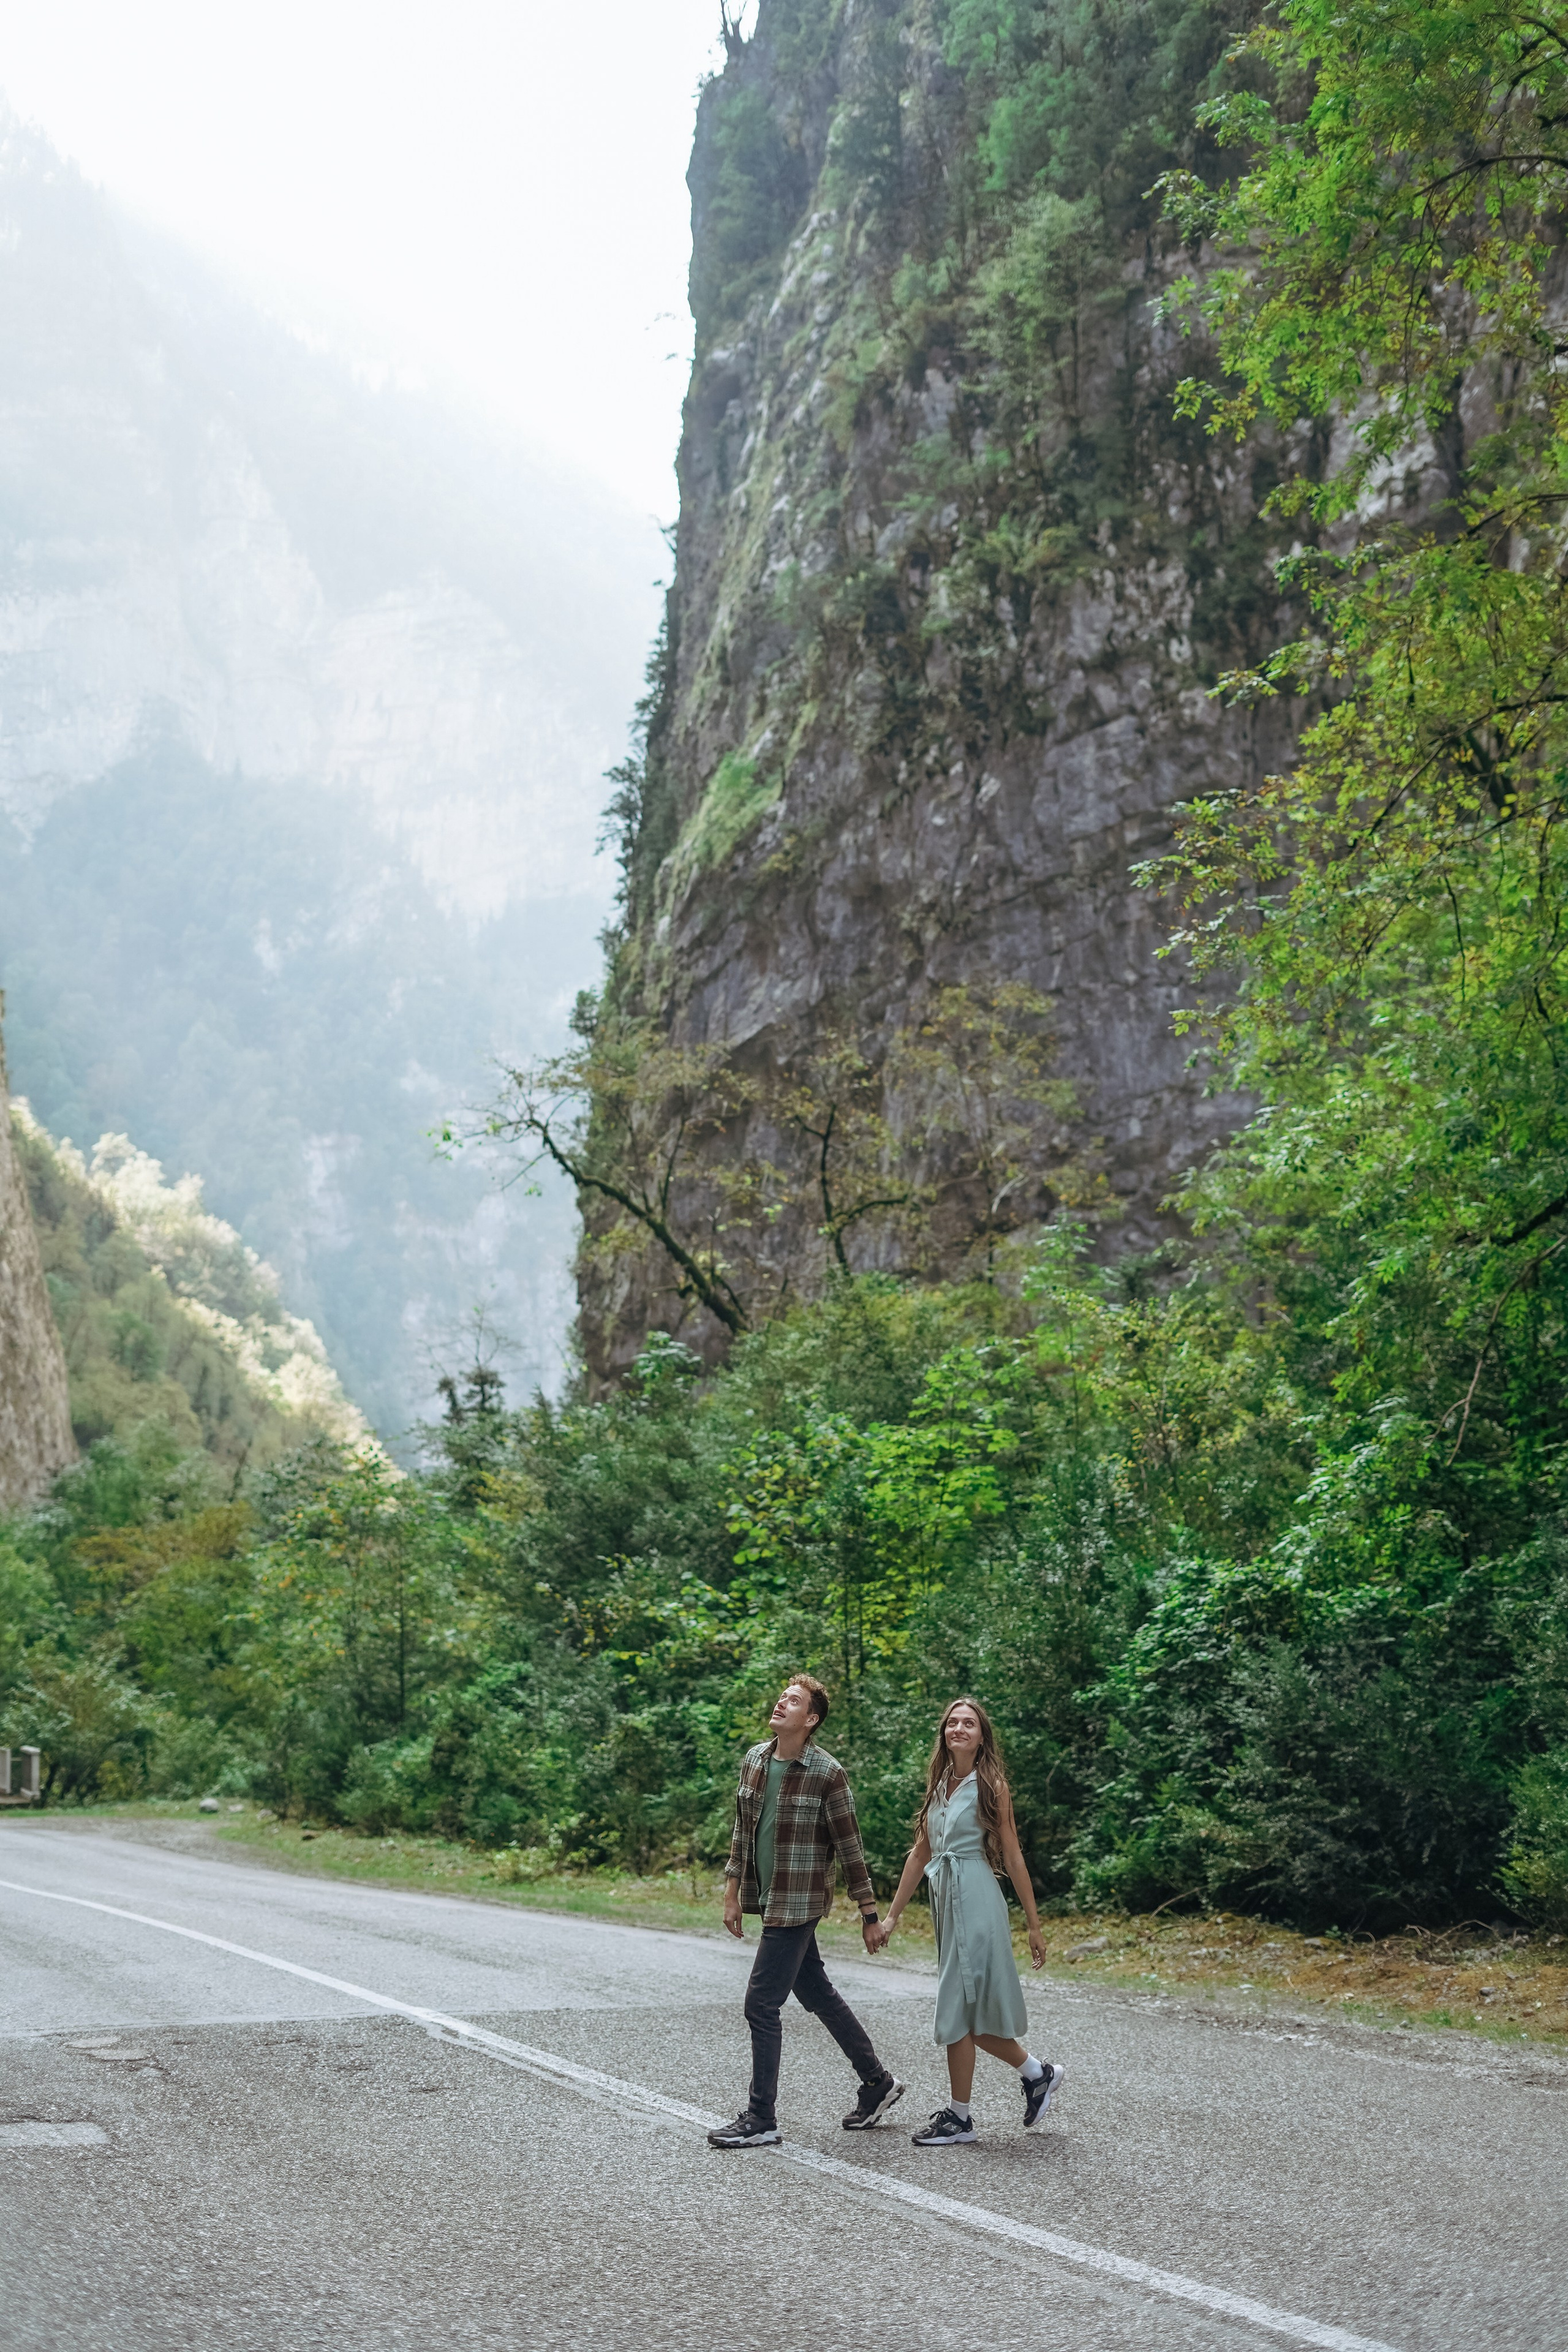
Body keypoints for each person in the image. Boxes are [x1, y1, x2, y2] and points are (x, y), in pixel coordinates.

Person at [707, 1673, 906, 2148]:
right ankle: (877, 2081)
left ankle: (761, 2118)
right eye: (782, 1696)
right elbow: (741, 1832)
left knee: (761, 2003)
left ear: (811, 1719)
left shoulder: (826, 1773)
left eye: (793, 1700)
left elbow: (850, 1847)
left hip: (800, 1901)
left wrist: (870, 1913)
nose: (782, 1703)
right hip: (769, 1895)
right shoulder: (756, 1759)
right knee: (816, 1992)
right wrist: (732, 1893)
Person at [877, 1695, 1065, 2146]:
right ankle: (1034, 2075)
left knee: (960, 2008)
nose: (959, 1729)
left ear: (982, 1737)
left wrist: (1034, 1925)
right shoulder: (940, 1784)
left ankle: (963, 2116)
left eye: (969, 1724)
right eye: (953, 1723)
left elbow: (1014, 1855)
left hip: (978, 1898)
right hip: (947, 1900)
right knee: (966, 2012)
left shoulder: (991, 1784)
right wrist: (892, 1916)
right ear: (944, 1733)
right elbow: (921, 1853)